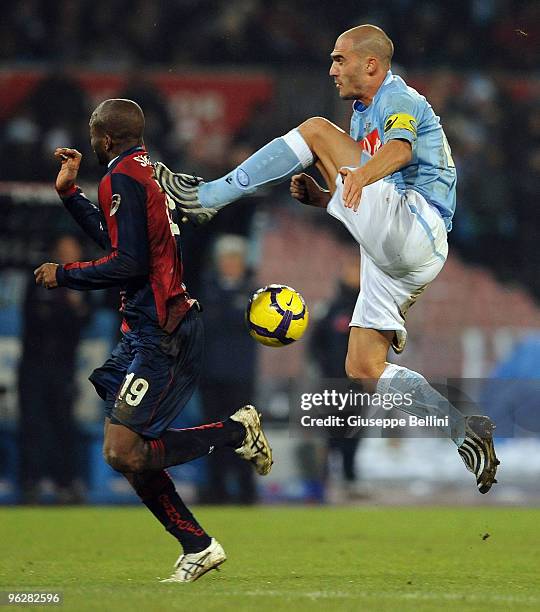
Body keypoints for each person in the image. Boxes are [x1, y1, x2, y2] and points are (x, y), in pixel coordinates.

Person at [154, 25, 499, 494]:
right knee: (363, 366)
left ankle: (208, 196)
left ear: (371, 65)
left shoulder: (399, 98)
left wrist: (359, 178)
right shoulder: (360, 116)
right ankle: (464, 429)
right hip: (396, 251)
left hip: (418, 223)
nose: (332, 68)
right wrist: (324, 198)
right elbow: (364, 183)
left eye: (340, 59)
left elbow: (398, 151)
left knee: (315, 129)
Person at [33, 98, 273, 583]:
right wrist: (70, 196)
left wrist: (66, 274)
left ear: (103, 139)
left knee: (124, 451)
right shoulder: (149, 172)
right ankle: (197, 545)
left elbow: (128, 264)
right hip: (147, 329)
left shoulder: (121, 176)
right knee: (126, 450)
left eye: (92, 134)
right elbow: (120, 240)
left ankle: (235, 432)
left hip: (161, 331)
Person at [18, 235, 89, 504]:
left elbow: (85, 320)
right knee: (33, 424)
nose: (68, 254)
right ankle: (31, 483)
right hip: (34, 364)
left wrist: (73, 304)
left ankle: (65, 483)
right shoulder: (38, 278)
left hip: (63, 366)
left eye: (73, 250)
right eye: (64, 251)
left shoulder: (84, 283)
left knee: (63, 425)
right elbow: (32, 318)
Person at [199, 235, 258, 504]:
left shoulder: (255, 293)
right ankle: (216, 488)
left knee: (244, 432)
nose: (231, 264)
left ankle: (247, 489)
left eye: (235, 259)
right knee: (212, 432)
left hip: (241, 374)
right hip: (211, 373)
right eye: (226, 259)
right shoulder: (206, 289)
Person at [309, 256, 367, 500]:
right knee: (330, 431)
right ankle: (323, 481)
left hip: (359, 383)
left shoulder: (371, 308)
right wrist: (328, 370)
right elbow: (314, 345)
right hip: (333, 383)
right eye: (350, 269)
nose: (354, 275)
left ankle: (350, 478)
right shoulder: (331, 309)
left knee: (354, 432)